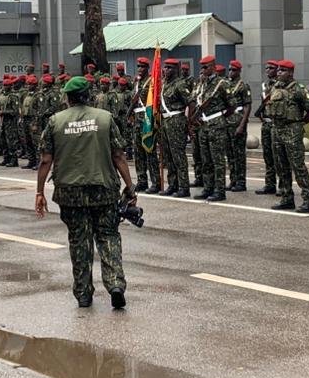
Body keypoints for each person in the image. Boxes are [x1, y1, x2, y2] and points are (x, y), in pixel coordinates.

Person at [35, 76, 135, 310]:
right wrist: (129, 188)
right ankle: (115, 285)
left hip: (70, 193)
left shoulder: (55, 121)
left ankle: (83, 293)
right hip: (104, 190)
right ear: (88, 95)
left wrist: (39, 191)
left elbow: (45, 160)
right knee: (108, 236)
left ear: (68, 98)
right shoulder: (105, 118)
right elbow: (119, 155)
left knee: (80, 241)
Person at [265, 60, 309, 213]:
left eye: (283, 70)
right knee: (281, 166)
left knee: (298, 167)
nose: (279, 72)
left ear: (291, 73)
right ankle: (287, 198)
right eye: (279, 70)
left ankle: (308, 200)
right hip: (277, 130)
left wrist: (298, 124)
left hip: (292, 131)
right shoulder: (274, 88)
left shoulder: (298, 89)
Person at [189, 55, 232, 202]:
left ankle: (219, 190)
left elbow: (231, 105)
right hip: (203, 125)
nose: (203, 70)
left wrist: (220, 118)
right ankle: (208, 188)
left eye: (206, 67)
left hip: (216, 124)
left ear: (213, 67)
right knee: (205, 159)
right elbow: (195, 101)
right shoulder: (201, 84)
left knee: (217, 159)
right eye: (202, 67)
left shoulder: (222, 83)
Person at [158, 58, 192, 197]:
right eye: (165, 67)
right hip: (165, 121)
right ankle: (172, 185)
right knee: (168, 156)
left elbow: (191, 103)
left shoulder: (180, 84)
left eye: (170, 68)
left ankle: (184, 187)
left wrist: (189, 123)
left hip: (176, 120)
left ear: (176, 69)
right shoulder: (165, 84)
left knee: (178, 155)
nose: (166, 70)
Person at [130, 57, 160, 192]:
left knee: (149, 151)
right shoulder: (136, 82)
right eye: (138, 66)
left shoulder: (151, 81)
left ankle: (156, 182)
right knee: (138, 152)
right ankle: (142, 180)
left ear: (147, 68)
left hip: (146, 119)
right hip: (137, 119)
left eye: (142, 67)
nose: (140, 69)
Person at [225, 60, 252, 192]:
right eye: (229, 69)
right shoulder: (227, 85)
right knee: (230, 153)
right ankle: (233, 180)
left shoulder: (243, 86)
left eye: (233, 70)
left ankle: (241, 182)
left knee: (239, 154)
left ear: (239, 71)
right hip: (227, 122)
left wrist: (242, 125)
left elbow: (247, 106)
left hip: (238, 121)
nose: (231, 72)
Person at [255, 60, 279, 196]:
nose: (268, 70)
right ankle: (270, 184)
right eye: (267, 68)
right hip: (266, 123)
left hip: (276, 124)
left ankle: (283, 186)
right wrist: (262, 119)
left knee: (279, 157)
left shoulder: (280, 86)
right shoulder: (265, 86)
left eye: (271, 68)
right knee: (268, 156)